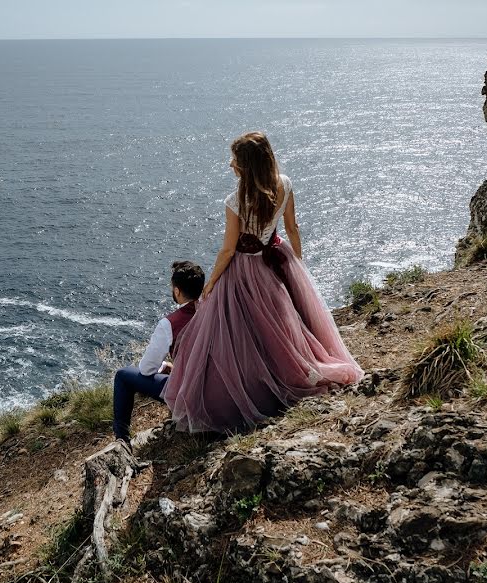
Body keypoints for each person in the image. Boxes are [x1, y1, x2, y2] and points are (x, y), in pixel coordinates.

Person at [162, 131, 364, 433]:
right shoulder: (284, 184)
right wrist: (296, 265)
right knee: (280, 328)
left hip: (245, 270)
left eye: (234, 160)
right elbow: (292, 228)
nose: (230, 164)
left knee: (243, 333)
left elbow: (229, 249)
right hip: (275, 258)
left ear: (247, 166)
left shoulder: (235, 201)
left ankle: (257, 389)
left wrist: (211, 283)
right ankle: (291, 373)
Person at [112, 261, 205, 446]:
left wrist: (163, 366)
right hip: (217, 389)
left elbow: (147, 370)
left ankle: (121, 440)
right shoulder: (214, 312)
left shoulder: (169, 324)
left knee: (123, 376)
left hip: (190, 396)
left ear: (177, 291)